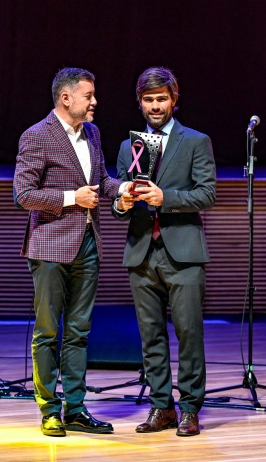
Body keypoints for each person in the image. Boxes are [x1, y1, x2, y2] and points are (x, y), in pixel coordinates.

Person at [13, 67, 123, 437]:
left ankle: (75, 408)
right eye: (88, 96)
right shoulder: (37, 135)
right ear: (66, 98)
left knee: (79, 332)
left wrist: (124, 189)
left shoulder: (92, 133)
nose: (94, 102)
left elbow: (101, 181)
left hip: (87, 243)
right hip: (49, 245)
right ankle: (49, 409)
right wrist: (71, 198)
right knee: (48, 332)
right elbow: (23, 194)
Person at [113, 66, 216, 437]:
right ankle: (162, 406)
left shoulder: (196, 141)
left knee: (189, 334)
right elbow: (120, 198)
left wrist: (165, 198)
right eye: (148, 99)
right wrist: (121, 203)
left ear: (174, 99)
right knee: (150, 336)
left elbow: (207, 193)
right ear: (140, 103)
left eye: (161, 98)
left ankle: (189, 409)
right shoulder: (129, 146)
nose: (155, 106)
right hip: (142, 252)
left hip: (183, 253)